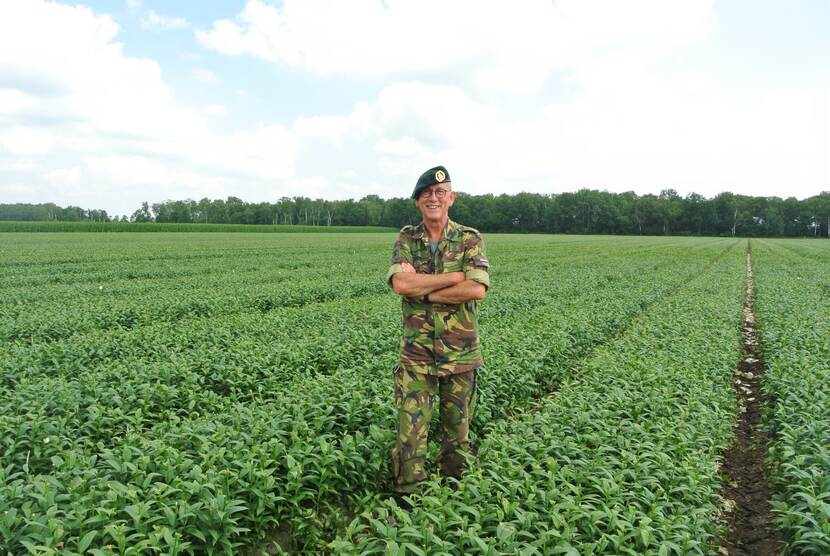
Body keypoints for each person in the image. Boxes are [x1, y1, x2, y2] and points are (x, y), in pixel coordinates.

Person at [386, 165, 491, 494]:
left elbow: (476, 289)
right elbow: (401, 284)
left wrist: (425, 292)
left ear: (451, 198)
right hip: (416, 356)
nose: (433, 198)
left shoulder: (469, 238)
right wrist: (454, 277)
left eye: (440, 192)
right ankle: (408, 499)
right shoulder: (407, 238)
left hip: (461, 355)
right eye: (426, 193)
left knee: (457, 435)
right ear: (418, 201)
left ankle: (454, 498)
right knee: (410, 435)